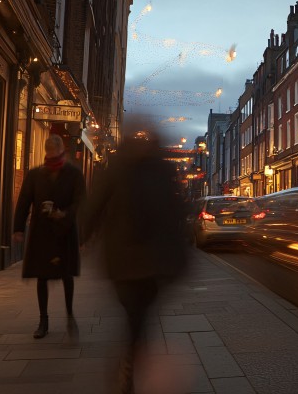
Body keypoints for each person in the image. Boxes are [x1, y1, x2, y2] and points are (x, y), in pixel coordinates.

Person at [80, 124, 190, 394]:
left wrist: (83, 237)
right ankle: (132, 355)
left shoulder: (117, 166)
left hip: (124, 258)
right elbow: (177, 210)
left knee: (134, 311)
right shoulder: (163, 169)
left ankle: (129, 359)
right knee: (140, 313)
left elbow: (93, 207)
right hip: (153, 260)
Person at [13, 135, 86, 339]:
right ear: (46, 152)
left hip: (64, 231)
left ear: (62, 150)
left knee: (66, 275)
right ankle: (43, 320)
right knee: (42, 276)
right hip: (42, 231)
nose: (53, 157)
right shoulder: (36, 175)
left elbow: (81, 201)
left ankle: (70, 315)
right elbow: (24, 200)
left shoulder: (73, 174)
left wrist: (65, 214)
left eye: (56, 153)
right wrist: (18, 227)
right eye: (50, 153)